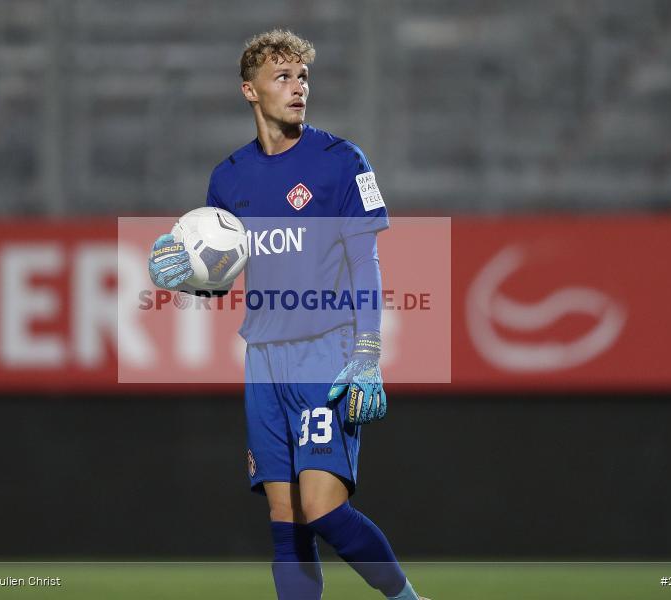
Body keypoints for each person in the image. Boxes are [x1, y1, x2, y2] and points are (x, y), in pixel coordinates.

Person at [148, 29, 427, 600]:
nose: (298, 88)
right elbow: (218, 276)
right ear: (250, 90)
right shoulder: (227, 179)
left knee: (322, 510)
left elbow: (364, 261)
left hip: (325, 351)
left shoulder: (340, 161)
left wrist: (368, 351)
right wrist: (178, 277)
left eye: (303, 77)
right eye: (283, 77)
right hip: (263, 359)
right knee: (286, 520)